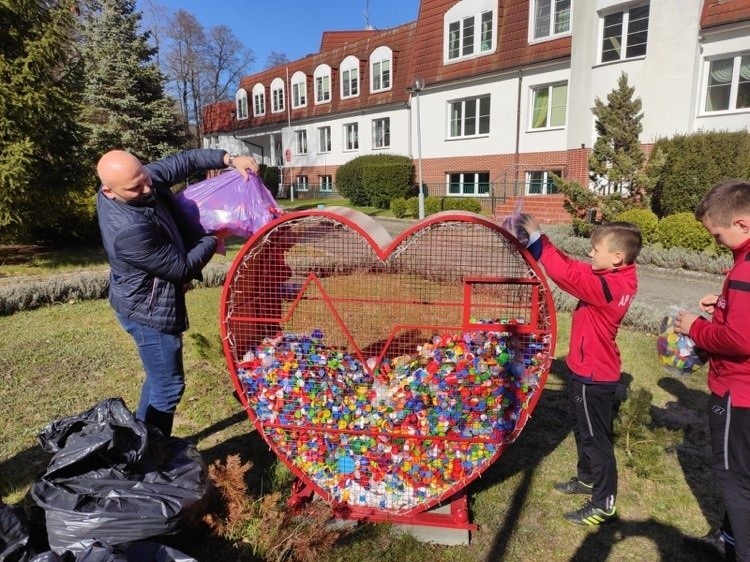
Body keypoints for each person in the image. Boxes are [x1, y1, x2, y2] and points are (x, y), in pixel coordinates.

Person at [96, 149, 259, 437]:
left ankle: (141, 441)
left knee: (158, 379)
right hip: (148, 312)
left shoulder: (141, 180)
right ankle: (152, 454)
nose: (149, 189)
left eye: (146, 177)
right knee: (169, 386)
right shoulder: (127, 231)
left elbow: (186, 161)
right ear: (109, 192)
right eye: (136, 188)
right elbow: (181, 267)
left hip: (147, 301)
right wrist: (214, 237)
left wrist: (231, 160)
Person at [520, 216, 642, 525]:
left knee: (596, 440)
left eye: (595, 249)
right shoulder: (615, 276)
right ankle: (587, 478)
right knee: (583, 431)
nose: (590, 254)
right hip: (584, 369)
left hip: (594, 377)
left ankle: (603, 503)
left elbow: (567, 275)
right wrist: (541, 246)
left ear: (616, 257)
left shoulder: (608, 287)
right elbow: (573, 267)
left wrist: (537, 237)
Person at [675, 180, 750, 562]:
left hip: (739, 396)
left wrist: (694, 327)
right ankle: (727, 539)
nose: (716, 242)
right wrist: (723, 303)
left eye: (718, 235)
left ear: (742, 225)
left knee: (735, 479)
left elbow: (740, 341)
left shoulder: (744, 272)